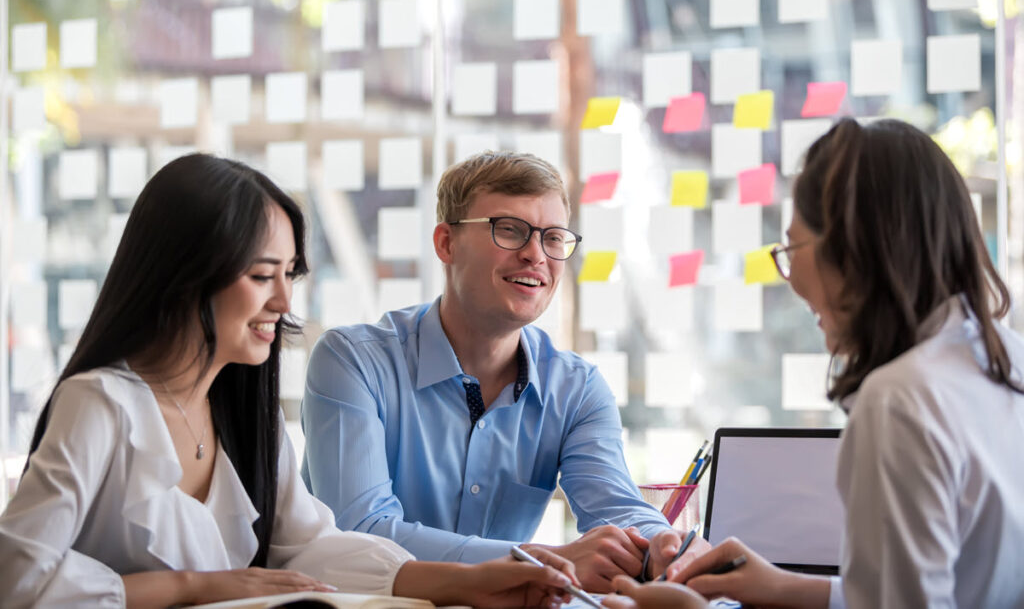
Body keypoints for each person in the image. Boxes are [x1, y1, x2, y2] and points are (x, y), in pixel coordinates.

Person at [0, 154, 579, 609]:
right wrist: (191, 588)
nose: (283, 302)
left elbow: (307, 544)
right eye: (260, 276)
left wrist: (468, 583)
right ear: (183, 278)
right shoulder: (99, 405)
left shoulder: (241, 413)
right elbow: (17, 577)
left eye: (290, 275)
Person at [606, 118, 1024, 608]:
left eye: (791, 249)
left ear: (852, 249)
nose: (791, 278)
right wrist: (783, 586)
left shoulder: (900, 400)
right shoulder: (1004, 356)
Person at [302, 151, 691, 592]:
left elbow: (616, 507)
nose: (535, 255)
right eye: (510, 231)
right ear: (446, 243)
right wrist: (540, 562)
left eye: (553, 238)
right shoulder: (353, 361)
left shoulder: (576, 389)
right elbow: (362, 532)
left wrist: (663, 543)